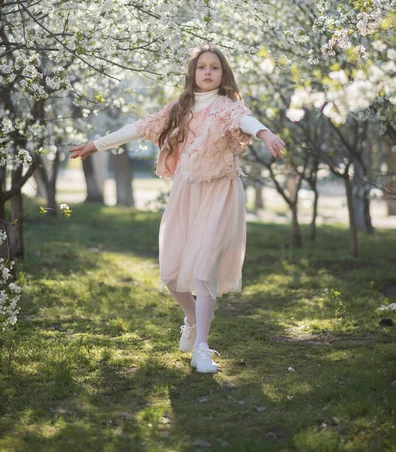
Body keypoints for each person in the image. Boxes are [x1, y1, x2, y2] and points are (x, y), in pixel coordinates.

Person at [69, 44, 286, 373]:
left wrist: (266, 133)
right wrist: (95, 145)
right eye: (202, 67)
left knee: (203, 270)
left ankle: (202, 349)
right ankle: (191, 320)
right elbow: (138, 128)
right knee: (171, 274)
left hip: (220, 193)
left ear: (223, 74)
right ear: (193, 73)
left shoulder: (226, 108)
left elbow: (246, 119)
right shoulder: (178, 109)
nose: (208, 72)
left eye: (214, 67)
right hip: (186, 195)